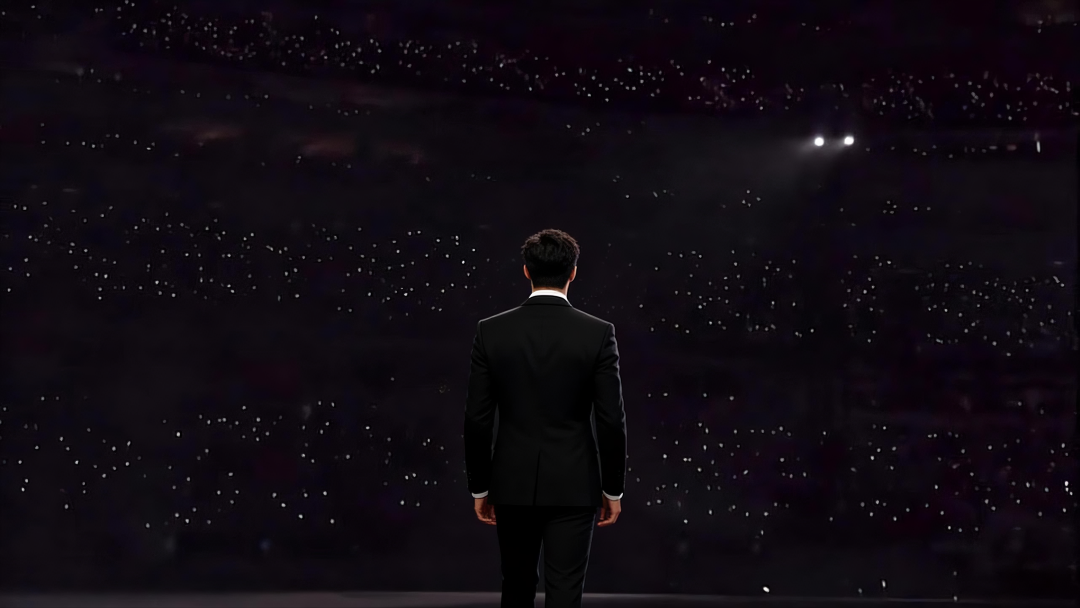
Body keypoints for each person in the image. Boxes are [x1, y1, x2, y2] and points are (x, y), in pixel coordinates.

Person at [464, 228, 628, 608]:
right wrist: (613, 490)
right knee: (566, 593)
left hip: (511, 481)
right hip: (574, 482)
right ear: (573, 272)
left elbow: (476, 418)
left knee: (516, 587)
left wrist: (480, 489)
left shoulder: (491, 331)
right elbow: (611, 420)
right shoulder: (598, 333)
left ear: (526, 271)